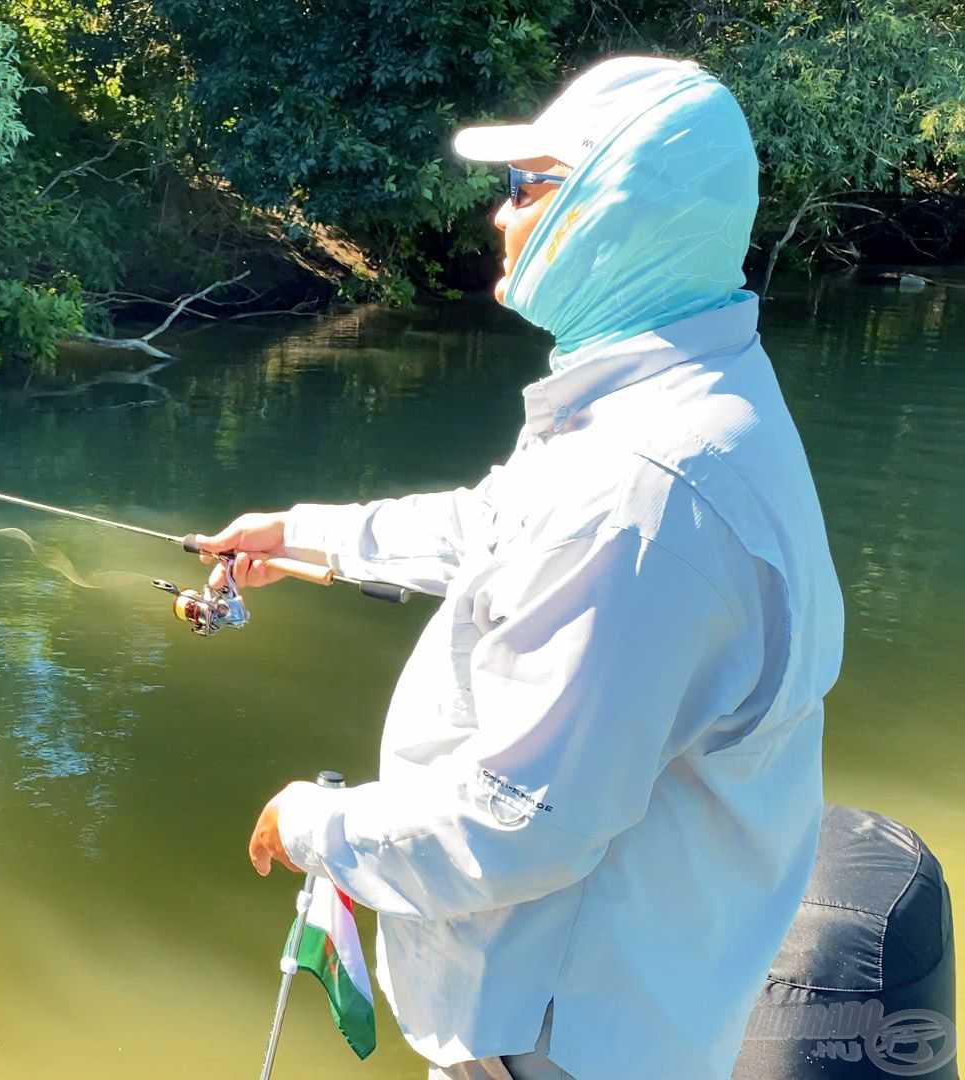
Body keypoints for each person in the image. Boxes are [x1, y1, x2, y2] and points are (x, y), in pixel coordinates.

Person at [197, 57, 844, 1079]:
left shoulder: (646, 488)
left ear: (619, 211)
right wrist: (308, 537)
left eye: (528, 187)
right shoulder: (683, 398)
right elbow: (503, 525)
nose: (500, 217)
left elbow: (518, 823)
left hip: (559, 1045)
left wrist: (320, 824)